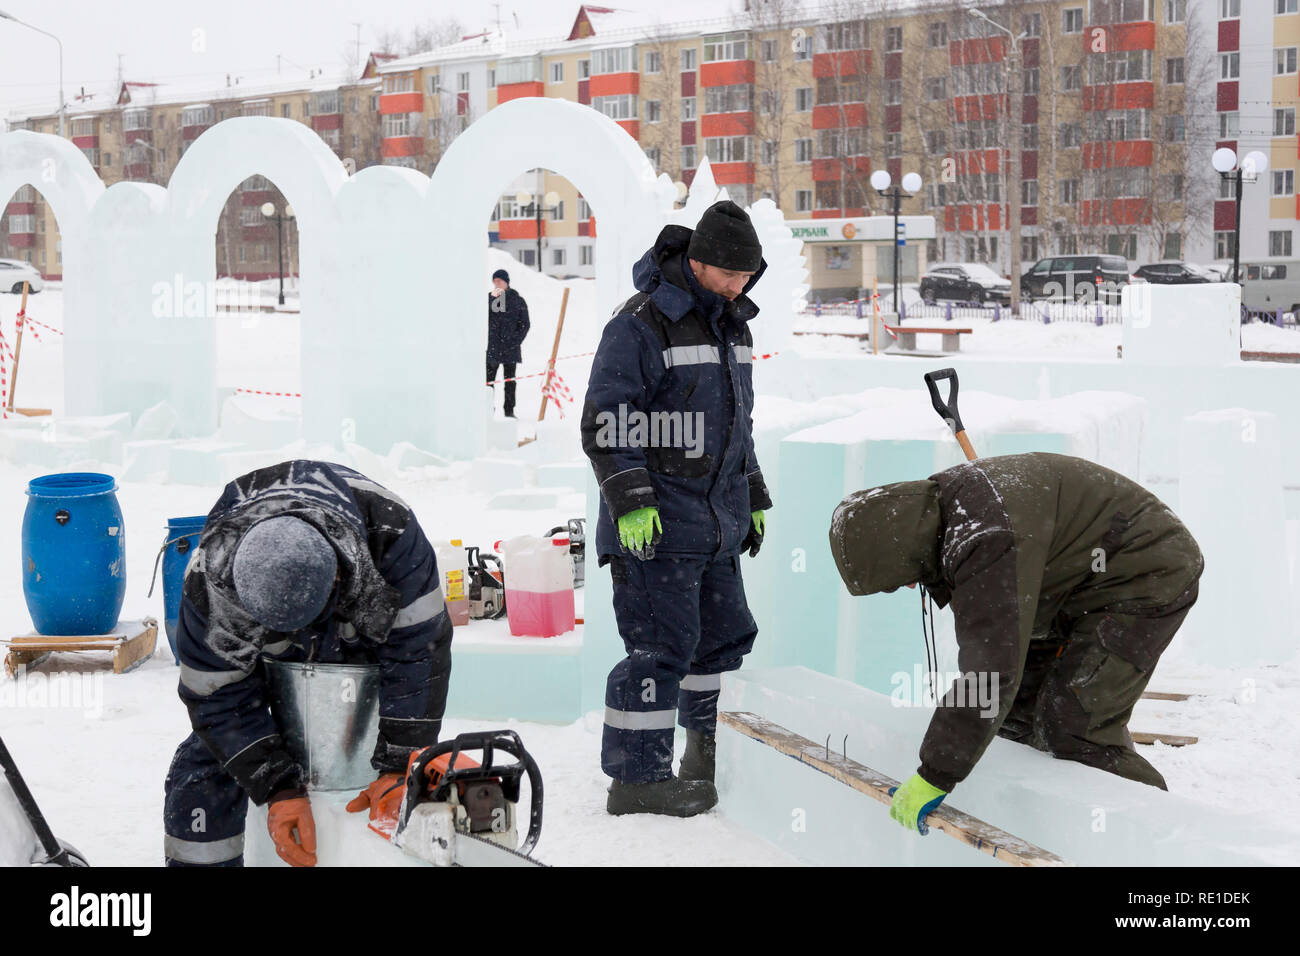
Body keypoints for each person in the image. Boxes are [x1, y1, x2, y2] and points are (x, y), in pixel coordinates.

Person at [827, 452, 1204, 835]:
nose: (907, 586)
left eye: (897, 578)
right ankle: (1055, 834)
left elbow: (988, 676)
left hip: (1145, 573)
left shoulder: (984, 538)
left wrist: (934, 774)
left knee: (1074, 724)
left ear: (901, 550)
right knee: (1016, 717)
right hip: (1075, 584)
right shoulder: (942, 515)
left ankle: (1158, 838)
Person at [581, 200, 773, 817]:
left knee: (720, 641)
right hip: (655, 528)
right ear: (696, 261)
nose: (738, 285)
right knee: (660, 650)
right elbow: (608, 420)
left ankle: (702, 752)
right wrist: (631, 500)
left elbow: (735, 425)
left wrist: (755, 492)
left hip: (715, 524)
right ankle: (636, 780)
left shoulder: (732, 325)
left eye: (747, 276)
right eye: (728, 275)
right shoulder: (640, 324)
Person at [163, 459, 453, 866]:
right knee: (202, 769)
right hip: (266, 658)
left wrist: (398, 763)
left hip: (360, 636)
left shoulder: (390, 533)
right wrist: (277, 787)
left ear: (336, 577)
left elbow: (418, 654)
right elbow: (216, 695)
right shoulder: (211, 581)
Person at [486, 268, 531, 418]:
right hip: (492, 348)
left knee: (510, 382)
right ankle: (488, 410)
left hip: (510, 349)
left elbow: (525, 324)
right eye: (494, 281)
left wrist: (515, 341)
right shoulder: (489, 299)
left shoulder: (517, 300)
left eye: (499, 281)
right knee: (488, 382)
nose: (496, 284)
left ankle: (509, 411)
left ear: (506, 282)